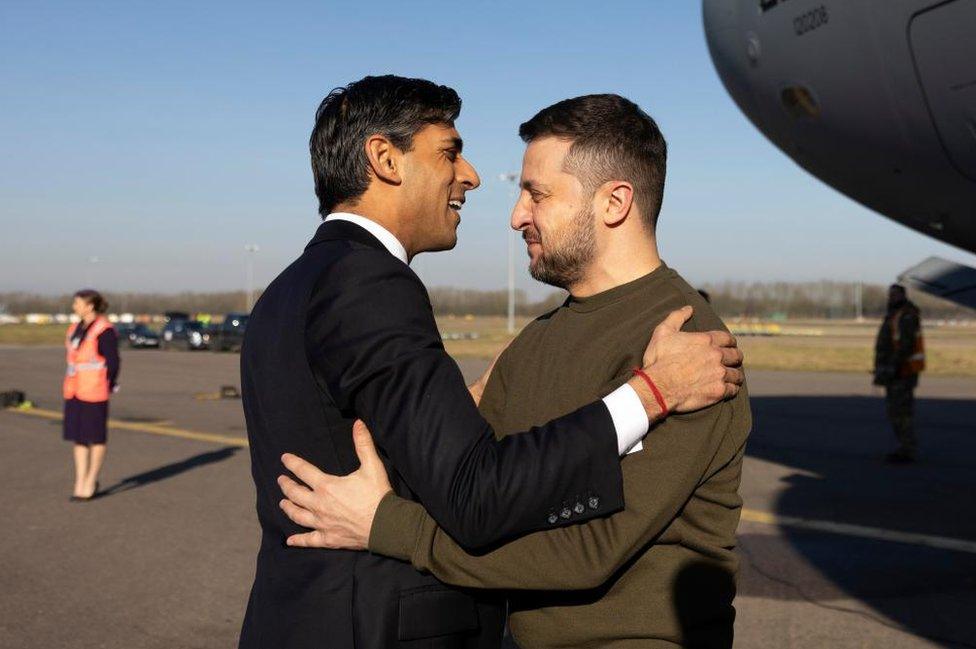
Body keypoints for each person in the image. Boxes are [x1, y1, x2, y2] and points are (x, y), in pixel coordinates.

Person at [238, 76, 744, 649]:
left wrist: (388, 525)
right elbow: (476, 485)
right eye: (450, 153)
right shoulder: (527, 339)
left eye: (537, 194)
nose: (511, 212)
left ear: (615, 202)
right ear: (383, 159)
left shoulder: (691, 348)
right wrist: (646, 395)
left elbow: (586, 550)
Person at [63, 289, 119, 501]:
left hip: (94, 391)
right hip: (74, 390)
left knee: (95, 437)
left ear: (90, 306)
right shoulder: (75, 328)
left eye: (77, 303)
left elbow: (113, 362)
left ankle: (90, 480)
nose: (74, 307)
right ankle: (80, 480)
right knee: (78, 437)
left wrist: (109, 384)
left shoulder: (104, 330)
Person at [874, 283, 924, 463]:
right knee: (895, 412)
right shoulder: (895, 314)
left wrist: (892, 367)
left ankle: (908, 449)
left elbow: (905, 345)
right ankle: (904, 447)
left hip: (902, 372)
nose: (892, 298)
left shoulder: (906, 315)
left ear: (903, 296)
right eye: (890, 295)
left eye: (895, 295)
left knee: (901, 412)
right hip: (894, 370)